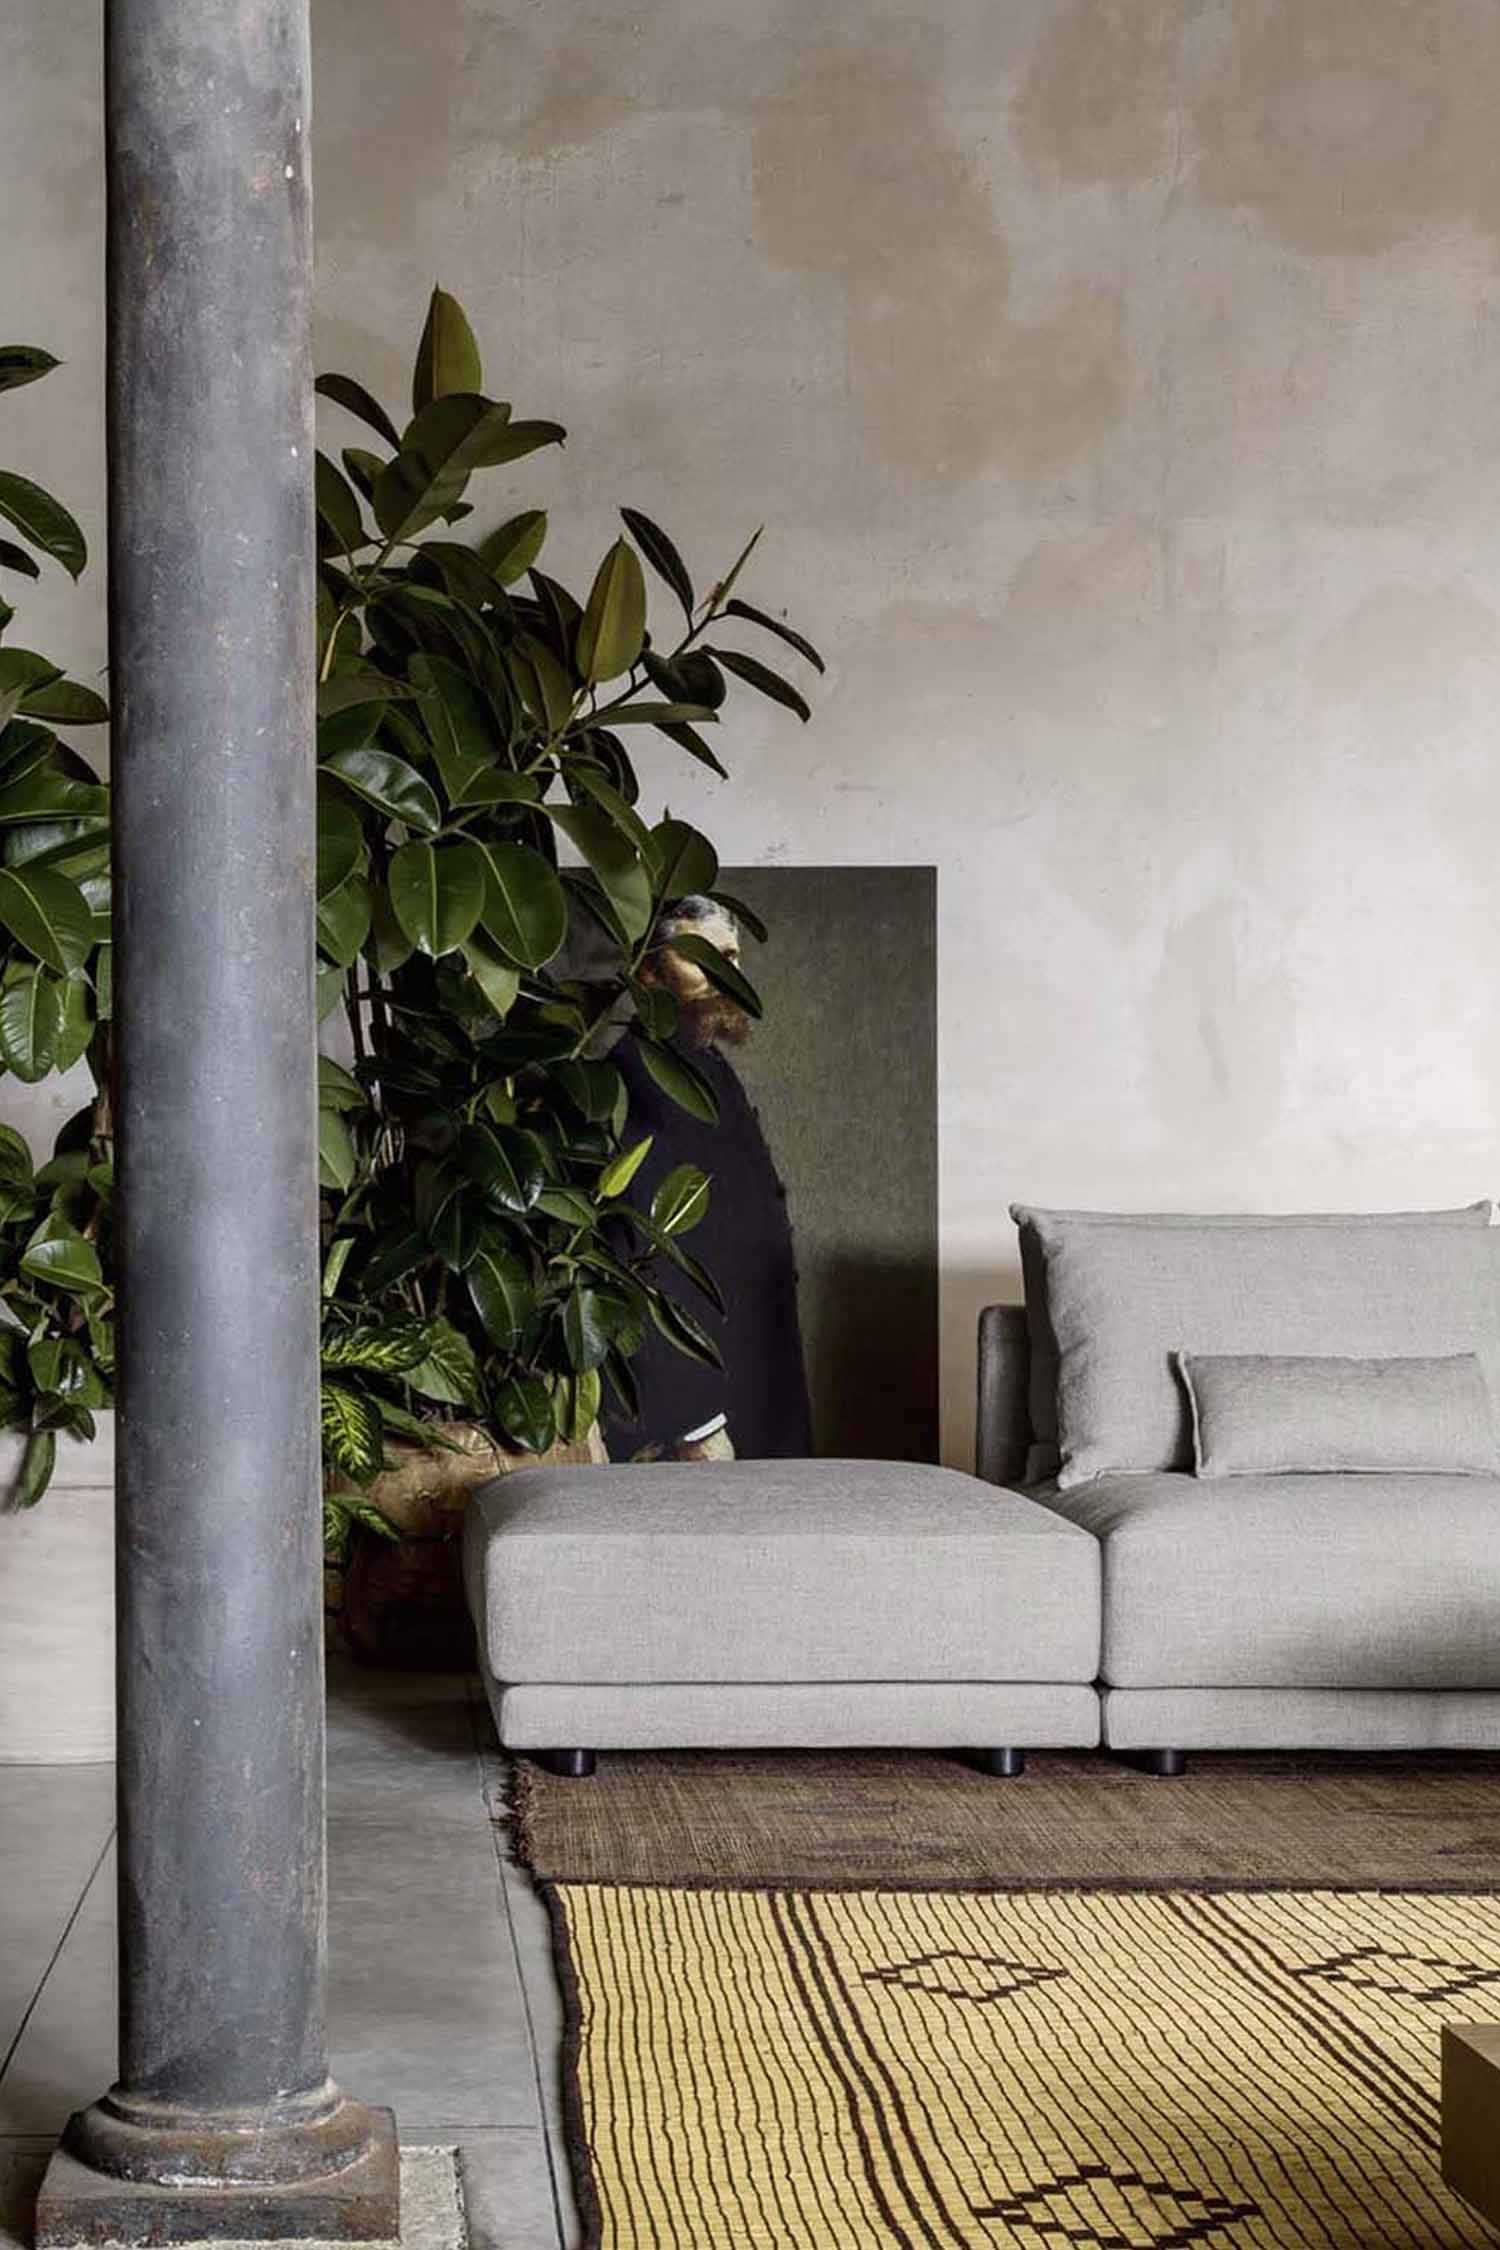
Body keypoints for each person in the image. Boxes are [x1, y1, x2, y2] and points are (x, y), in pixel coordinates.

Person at [607, 897, 814, 1462]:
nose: (725, 974)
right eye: (701, 956)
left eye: (731, 956)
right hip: (697, 1415)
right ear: (648, 972)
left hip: (759, 1387)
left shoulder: (710, 1068)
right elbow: (631, 1254)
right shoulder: (630, 1075)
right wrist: (693, 1421)